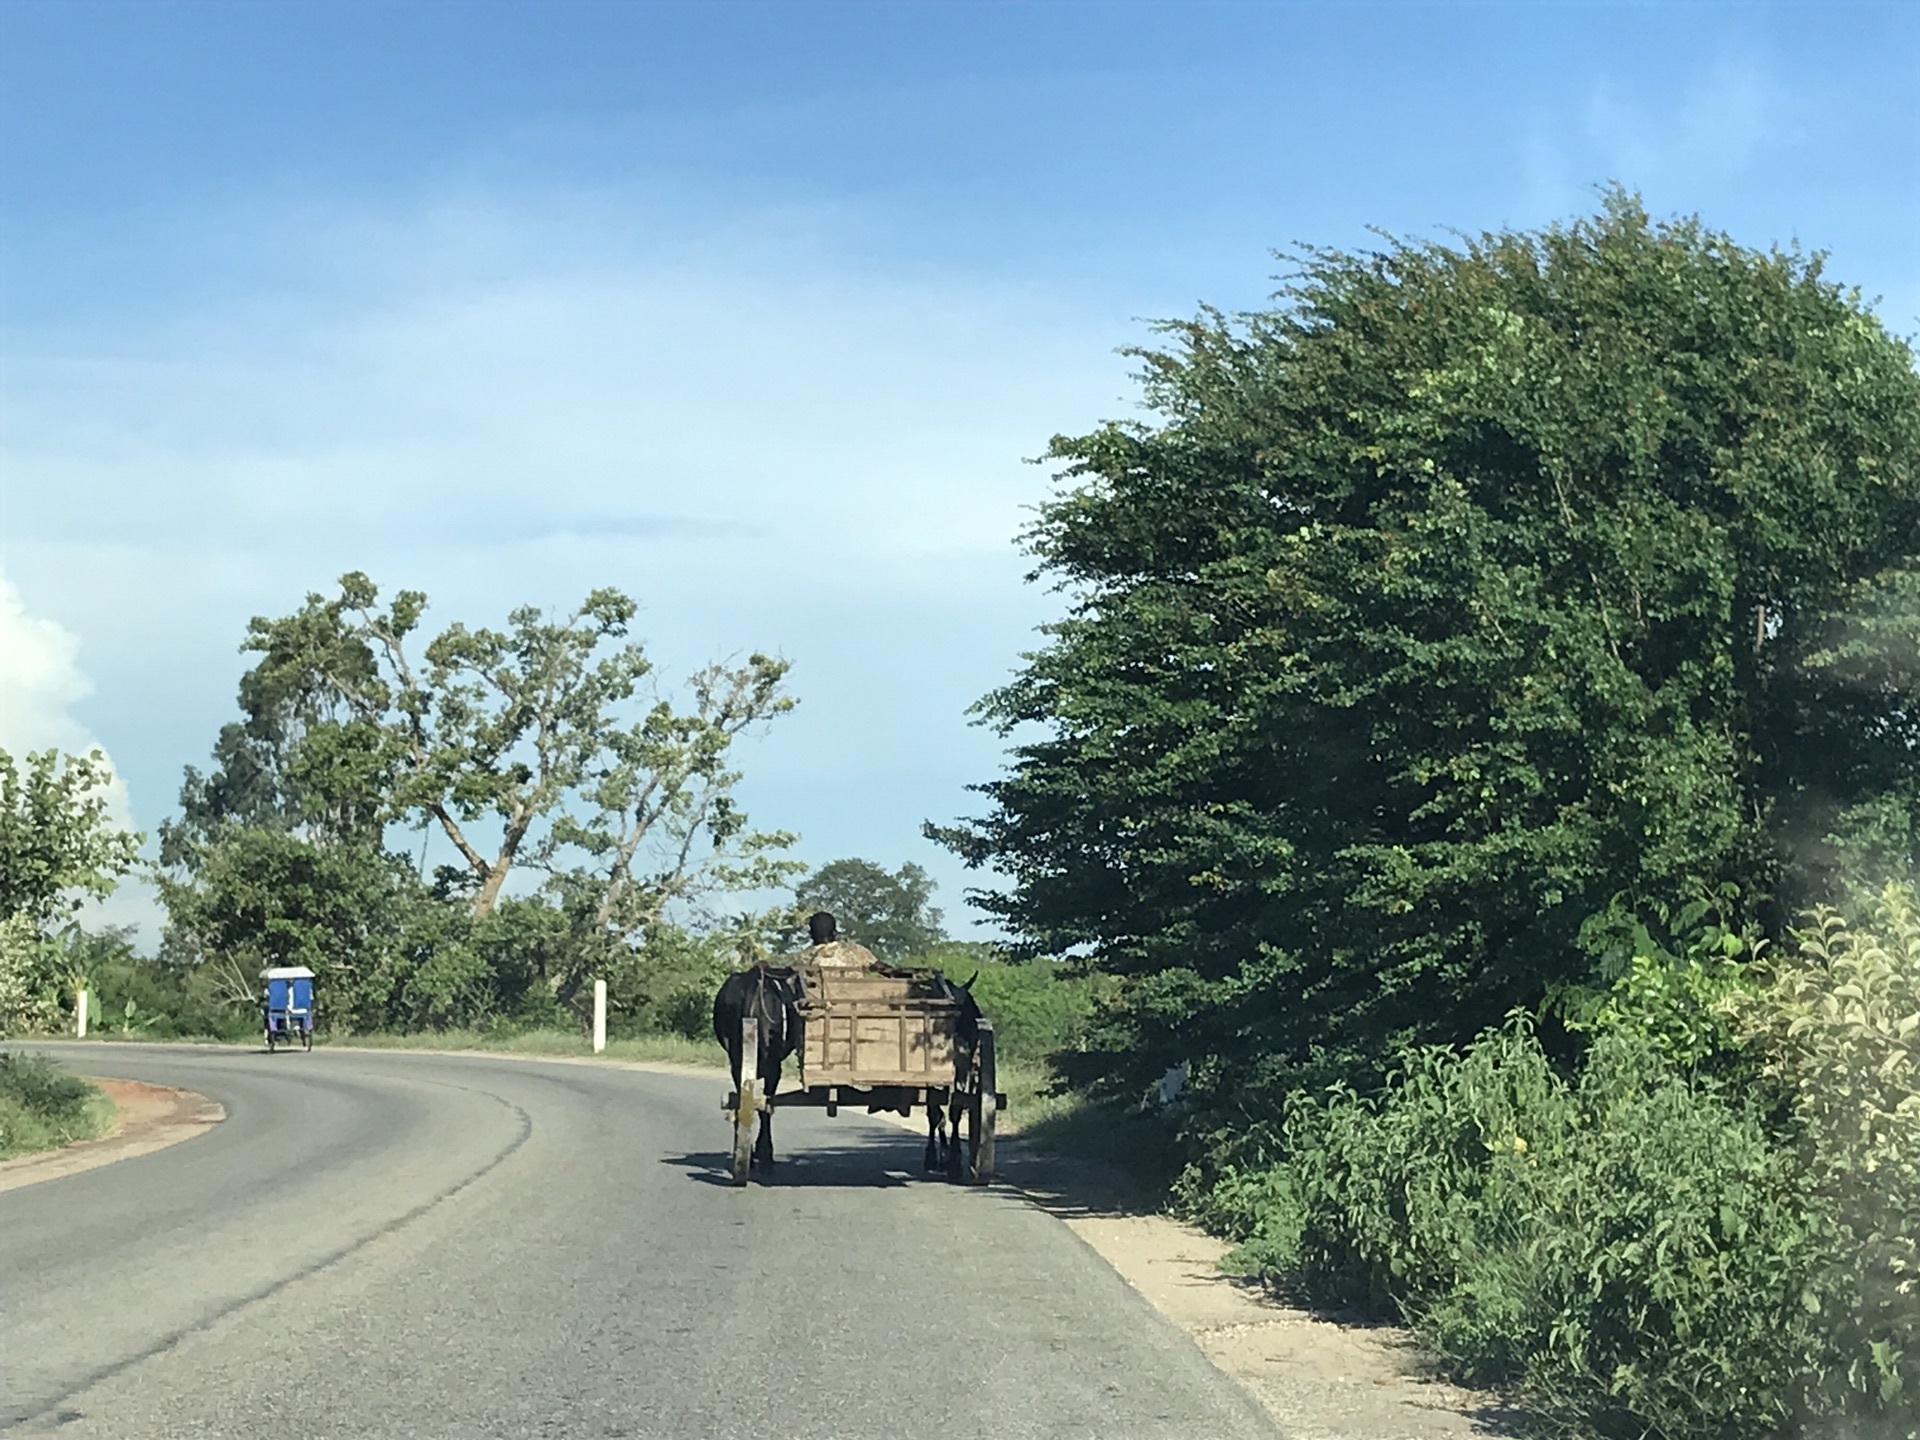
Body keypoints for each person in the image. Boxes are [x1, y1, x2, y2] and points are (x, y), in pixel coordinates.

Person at [797, 911, 879, 969]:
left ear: (811, 934)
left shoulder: (805, 958)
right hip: (856, 993)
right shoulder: (857, 951)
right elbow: (883, 969)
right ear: (835, 932)